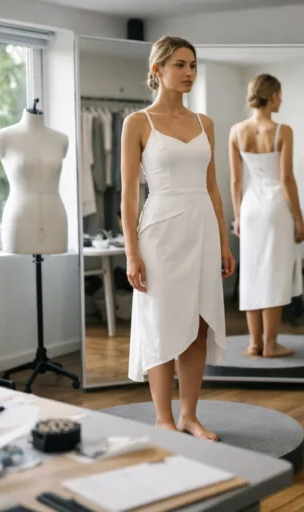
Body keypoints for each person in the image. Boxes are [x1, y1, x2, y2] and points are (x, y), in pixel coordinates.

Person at [121, 35, 235, 442]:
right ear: (158, 70)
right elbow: (128, 196)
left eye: (193, 65)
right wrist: (131, 253)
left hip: (201, 228)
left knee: (199, 322)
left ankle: (188, 415)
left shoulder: (206, 123)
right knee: (161, 321)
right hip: (160, 232)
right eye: (180, 65)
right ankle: (163, 418)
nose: (189, 73)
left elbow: (213, 187)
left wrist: (224, 242)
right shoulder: (138, 123)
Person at [229, 73, 304, 358]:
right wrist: (299, 219)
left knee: (251, 273)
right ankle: (271, 344)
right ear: (271, 96)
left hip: (250, 208)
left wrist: (237, 216)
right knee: (274, 274)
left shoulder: (236, 131)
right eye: (280, 95)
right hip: (275, 208)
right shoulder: (283, 131)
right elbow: (286, 179)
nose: (281, 100)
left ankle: (254, 343)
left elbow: (236, 181)